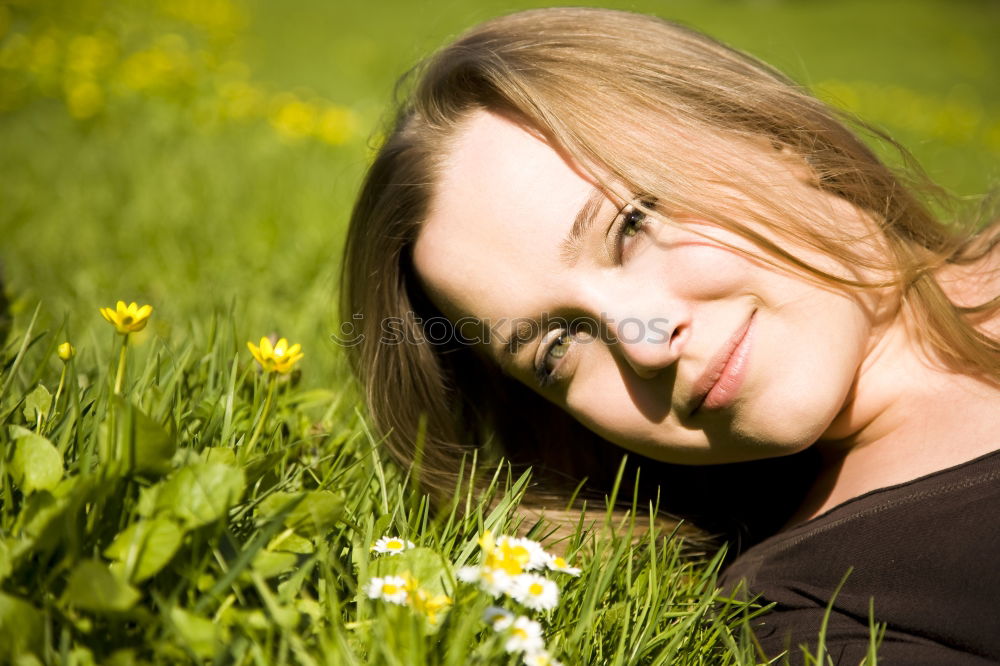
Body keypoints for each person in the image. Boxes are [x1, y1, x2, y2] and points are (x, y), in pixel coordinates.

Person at [340, 7, 1000, 663]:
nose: (644, 343)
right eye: (558, 346)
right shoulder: (821, 615)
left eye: (630, 225)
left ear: (771, 136)